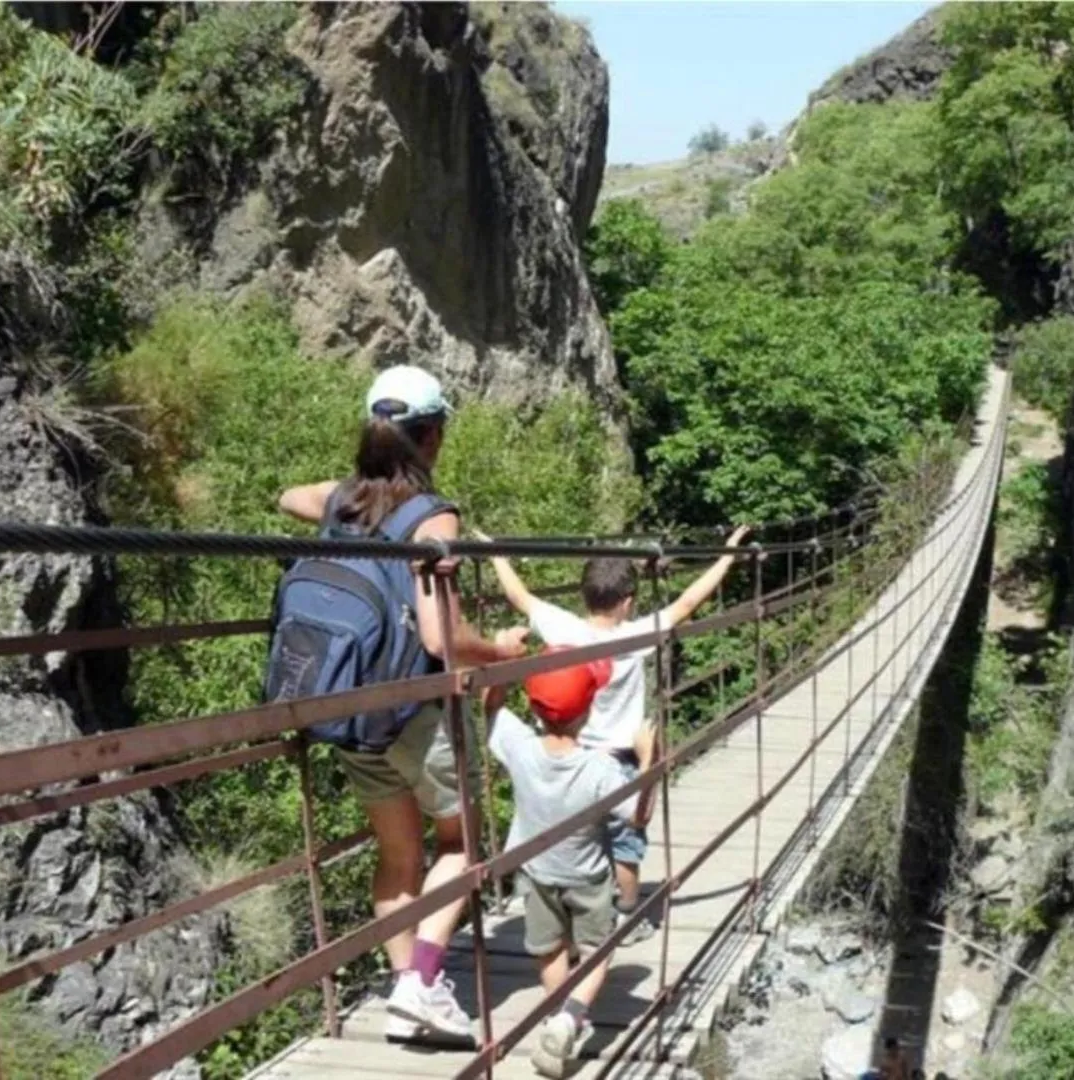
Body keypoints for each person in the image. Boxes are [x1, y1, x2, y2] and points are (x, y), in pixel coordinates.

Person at [278, 364, 528, 1043]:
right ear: (434, 435)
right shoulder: (431, 516)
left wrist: (340, 500)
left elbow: (286, 497)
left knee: (396, 857)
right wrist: (502, 652)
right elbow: (440, 635)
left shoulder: (342, 502)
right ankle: (420, 981)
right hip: (413, 713)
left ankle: (406, 991)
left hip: (349, 706)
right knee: (465, 839)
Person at [480, 525, 752, 943]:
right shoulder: (634, 636)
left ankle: (563, 911)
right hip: (622, 755)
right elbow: (687, 602)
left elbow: (519, 596)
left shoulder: (562, 628)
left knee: (574, 833)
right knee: (626, 839)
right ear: (627, 603)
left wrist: (495, 551)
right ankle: (628, 914)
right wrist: (727, 556)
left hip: (573, 751)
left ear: (584, 595)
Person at [482, 647, 628, 1077]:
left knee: (547, 950)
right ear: (588, 712)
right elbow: (638, 812)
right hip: (588, 876)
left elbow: (490, 707)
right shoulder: (600, 769)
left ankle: (557, 1016)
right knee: (599, 951)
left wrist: (505, 659)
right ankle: (570, 1019)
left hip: (537, 871)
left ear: (533, 706)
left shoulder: (520, 747)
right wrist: (651, 755)